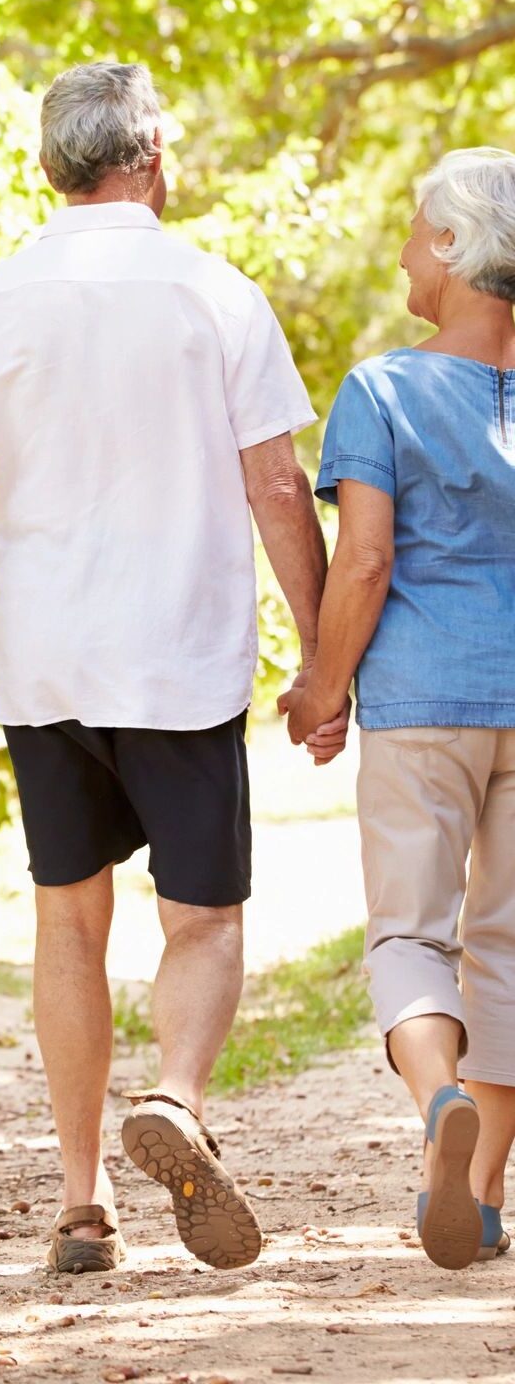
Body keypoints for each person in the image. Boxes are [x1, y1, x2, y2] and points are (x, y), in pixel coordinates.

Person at [0, 61, 333, 1274]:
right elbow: (277, 483)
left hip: (48, 662)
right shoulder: (216, 293)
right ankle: (177, 1101)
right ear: (149, 155)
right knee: (203, 918)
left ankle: (84, 1206)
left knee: (68, 922)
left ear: (55, 165)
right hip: (180, 659)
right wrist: (321, 653)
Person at [281, 147, 515, 1271]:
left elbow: (364, 562)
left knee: (411, 935)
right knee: (511, 949)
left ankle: (436, 1106)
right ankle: (473, 1199)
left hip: (426, 703)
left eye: (420, 231)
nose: (407, 255)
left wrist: (321, 695)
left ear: (458, 249)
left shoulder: (384, 388)